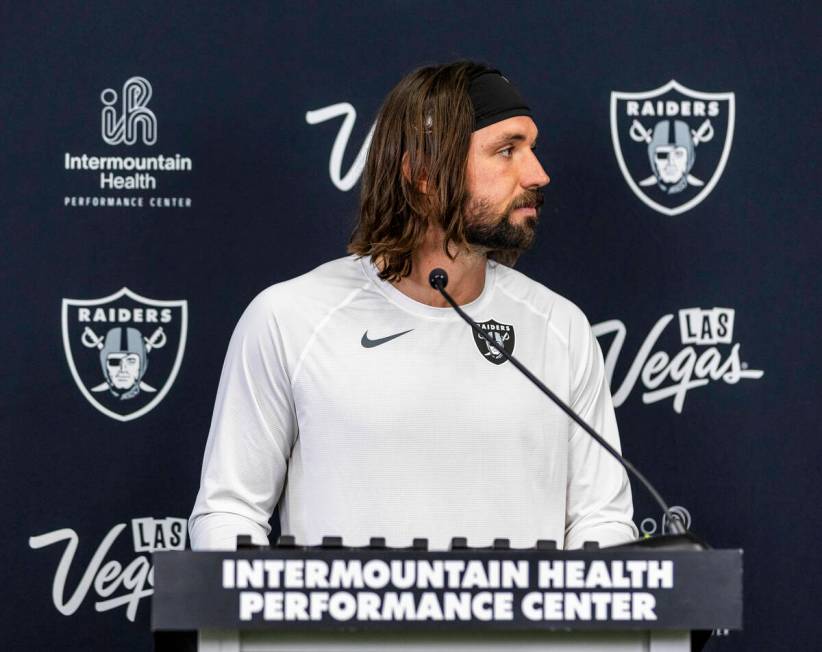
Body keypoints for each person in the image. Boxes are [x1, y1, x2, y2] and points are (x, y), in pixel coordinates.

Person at [189, 61, 638, 551]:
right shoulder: (289, 318)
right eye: (506, 151)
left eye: (531, 149)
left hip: (519, 632)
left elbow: (602, 522)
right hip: (340, 631)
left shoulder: (560, 328)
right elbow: (229, 512)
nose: (538, 174)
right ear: (423, 173)